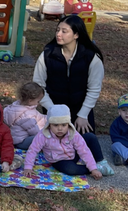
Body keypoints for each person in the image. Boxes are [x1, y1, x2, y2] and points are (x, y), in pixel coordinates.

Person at [33, 14, 113, 175]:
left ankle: (99, 163)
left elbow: (94, 89)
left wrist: (83, 115)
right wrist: (53, 111)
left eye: (64, 31)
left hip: (80, 111)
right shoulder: (47, 54)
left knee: (85, 141)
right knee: (60, 152)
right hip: (53, 107)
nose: (59, 34)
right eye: (58, 30)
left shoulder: (91, 57)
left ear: (76, 34)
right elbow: (38, 86)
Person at [23, 105, 102, 179]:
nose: (60, 129)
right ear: (49, 124)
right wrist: (28, 167)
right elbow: (33, 150)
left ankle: (100, 161)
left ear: (68, 124)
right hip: (59, 160)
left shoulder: (73, 133)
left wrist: (93, 168)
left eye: (64, 125)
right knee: (71, 169)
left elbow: (84, 150)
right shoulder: (43, 135)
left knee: (90, 137)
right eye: (56, 125)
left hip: (73, 153)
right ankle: (98, 169)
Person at [3, 81, 47, 150]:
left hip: (19, 139)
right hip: (21, 142)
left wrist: (48, 118)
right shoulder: (26, 115)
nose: (38, 104)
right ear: (30, 101)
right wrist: (47, 130)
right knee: (42, 138)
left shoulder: (18, 106)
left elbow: (38, 117)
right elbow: (34, 131)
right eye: (38, 101)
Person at [110, 94, 128, 167]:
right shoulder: (116, 124)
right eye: (124, 110)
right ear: (119, 111)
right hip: (124, 147)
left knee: (120, 153)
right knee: (115, 145)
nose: (127, 113)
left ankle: (124, 160)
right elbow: (116, 138)